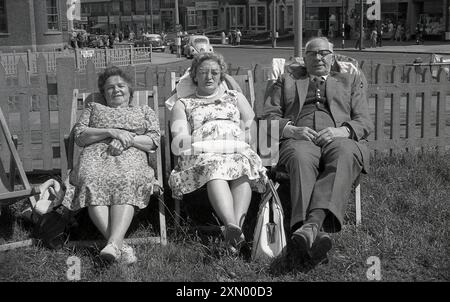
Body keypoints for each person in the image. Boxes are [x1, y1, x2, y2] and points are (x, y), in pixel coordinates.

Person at [263, 37, 373, 263]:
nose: (318, 57)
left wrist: (342, 131)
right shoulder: (287, 80)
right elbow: (267, 118)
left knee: (344, 153)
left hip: (339, 138)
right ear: (304, 58)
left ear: (332, 58)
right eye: (312, 53)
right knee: (300, 157)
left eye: (324, 53)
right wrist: (292, 130)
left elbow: (364, 121)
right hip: (300, 139)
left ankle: (308, 228)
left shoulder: (349, 81)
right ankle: (313, 230)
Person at [168, 52, 268, 254]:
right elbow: (179, 138)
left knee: (242, 165)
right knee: (214, 167)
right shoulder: (183, 103)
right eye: (203, 72)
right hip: (203, 153)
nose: (209, 76)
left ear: (221, 76)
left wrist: (240, 140)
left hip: (235, 149)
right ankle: (232, 224)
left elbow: (251, 127)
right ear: (194, 76)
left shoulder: (235, 97)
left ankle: (234, 231)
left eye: (215, 72)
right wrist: (211, 141)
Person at [60, 66, 160, 264]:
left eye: (121, 86)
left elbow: (154, 140)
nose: (116, 90)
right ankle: (118, 245)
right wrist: (111, 131)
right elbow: (80, 136)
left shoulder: (143, 110)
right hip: (95, 155)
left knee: (127, 178)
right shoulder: (94, 108)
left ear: (130, 90)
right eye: (110, 88)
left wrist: (127, 139)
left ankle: (113, 244)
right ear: (104, 93)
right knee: (90, 178)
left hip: (131, 154)